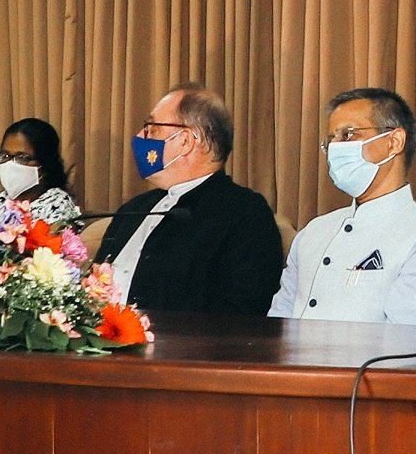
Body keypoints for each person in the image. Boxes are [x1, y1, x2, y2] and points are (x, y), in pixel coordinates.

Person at [269, 87, 416, 324]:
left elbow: (408, 340)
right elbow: (278, 321)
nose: (335, 147)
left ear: (394, 142)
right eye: (331, 140)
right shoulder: (314, 231)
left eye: (348, 135)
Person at [94, 83, 283, 315]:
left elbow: (242, 309)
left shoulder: (244, 213)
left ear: (185, 140)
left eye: (151, 129)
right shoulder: (134, 209)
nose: (140, 137)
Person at [0, 117, 80, 226]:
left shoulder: (58, 206)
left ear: (45, 162)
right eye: (5, 156)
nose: (10, 164)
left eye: (22, 157)